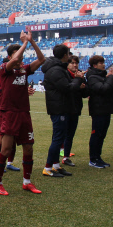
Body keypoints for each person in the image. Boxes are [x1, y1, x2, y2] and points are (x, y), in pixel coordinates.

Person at [0, 31, 45, 195]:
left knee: (28, 148)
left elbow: (42, 59)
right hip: (9, 113)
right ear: (9, 57)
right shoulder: (5, 69)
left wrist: (32, 42)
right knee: (6, 149)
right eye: (18, 56)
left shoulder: (24, 69)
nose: (21, 59)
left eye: (22, 56)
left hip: (24, 113)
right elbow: (15, 59)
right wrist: (24, 43)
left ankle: (27, 182)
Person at [40, 44, 83, 178]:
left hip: (61, 107)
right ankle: (48, 167)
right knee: (58, 138)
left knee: (59, 138)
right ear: (65, 55)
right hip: (59, 108)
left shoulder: (58, 68)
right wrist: (78, 79)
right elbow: (67, 88)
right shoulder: (56, 70)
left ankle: (56, 165)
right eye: (68, 54)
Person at [85, 55, 113, 168]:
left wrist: (111, 78)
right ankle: (93, 159)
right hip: (98, 109)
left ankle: (98, 157)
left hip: (105, 108)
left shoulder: (102, 75)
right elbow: (103, 89)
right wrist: (110, 78)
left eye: (103, 62)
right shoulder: (92, 77)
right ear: (95, 65)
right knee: (97, 134)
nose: (103, 64)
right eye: (101, 63)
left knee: (102, 135)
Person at [61, 55, 87, 167]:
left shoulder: (80, 75)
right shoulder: (64, 74)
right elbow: (67, 90)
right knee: (61, 134)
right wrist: (77, 84)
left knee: (70, 134)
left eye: (76, 63)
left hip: (75, 108)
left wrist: (83, 87)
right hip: (64, 108)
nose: (75, 65)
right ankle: (54, 160)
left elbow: (86, 94)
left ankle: (66, 156)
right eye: (72, 63)